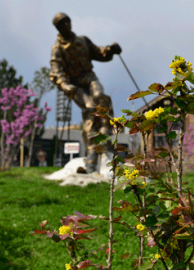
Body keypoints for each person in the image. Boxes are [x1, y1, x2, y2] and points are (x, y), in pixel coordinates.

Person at [49, 13, 122, 173]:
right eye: (62, 25)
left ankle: (105, 133)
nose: (66, 26)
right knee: (90, 109)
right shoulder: (58, 49)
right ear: (58, 29)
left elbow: (99, 53)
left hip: (89, 78)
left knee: (100, 97)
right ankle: (91, 154)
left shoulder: (82, 40)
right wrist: (64, 85)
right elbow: (56, 70)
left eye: (67, 22)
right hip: (75, 85)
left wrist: (111, 49)